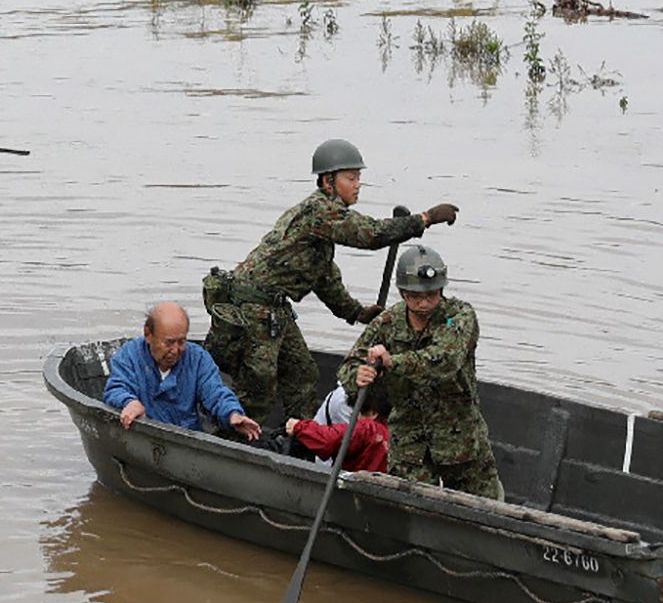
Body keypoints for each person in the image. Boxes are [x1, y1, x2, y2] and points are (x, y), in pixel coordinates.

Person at [202, 138, 457, 432]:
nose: (357, 185)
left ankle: (304, 443)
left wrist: (357, 313)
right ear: (327, 182)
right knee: (259, 390)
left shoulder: (323, 229)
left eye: (359, 178)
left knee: (303, 375)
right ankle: (232, 444)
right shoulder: (319, 212)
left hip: (274, 309)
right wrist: (423, 220)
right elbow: (371, 234)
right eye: (350, 178)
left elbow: (325, 280)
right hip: (253, 309)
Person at [341, 244, 497, 498]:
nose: (425, 303)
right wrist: (359, 375)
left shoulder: (460, 316)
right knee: (410, 506)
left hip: (459, 435)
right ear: (403, 293)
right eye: (416, 297)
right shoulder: (388, 322)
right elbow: (350, 365)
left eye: (432, 295)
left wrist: (393, 362)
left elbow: (446, 360)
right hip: (409, 438)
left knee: (484, 507)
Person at [102, 301, 261, 442]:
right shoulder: (129, 356)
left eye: (181, 341)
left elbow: (215, 392)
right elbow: (115, 388)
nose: (175, 350)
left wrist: (232, 413)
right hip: (144, 438)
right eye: (169, 342)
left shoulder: (197, 358)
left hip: (187, 440)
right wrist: (129, 402)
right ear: (148, 334)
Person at [282, 380, 389, 473]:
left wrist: (299, 427)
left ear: (372, 413)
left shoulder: (367, 429)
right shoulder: (391, 433)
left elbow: (333, 439)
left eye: (358, 412)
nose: (355, 417)